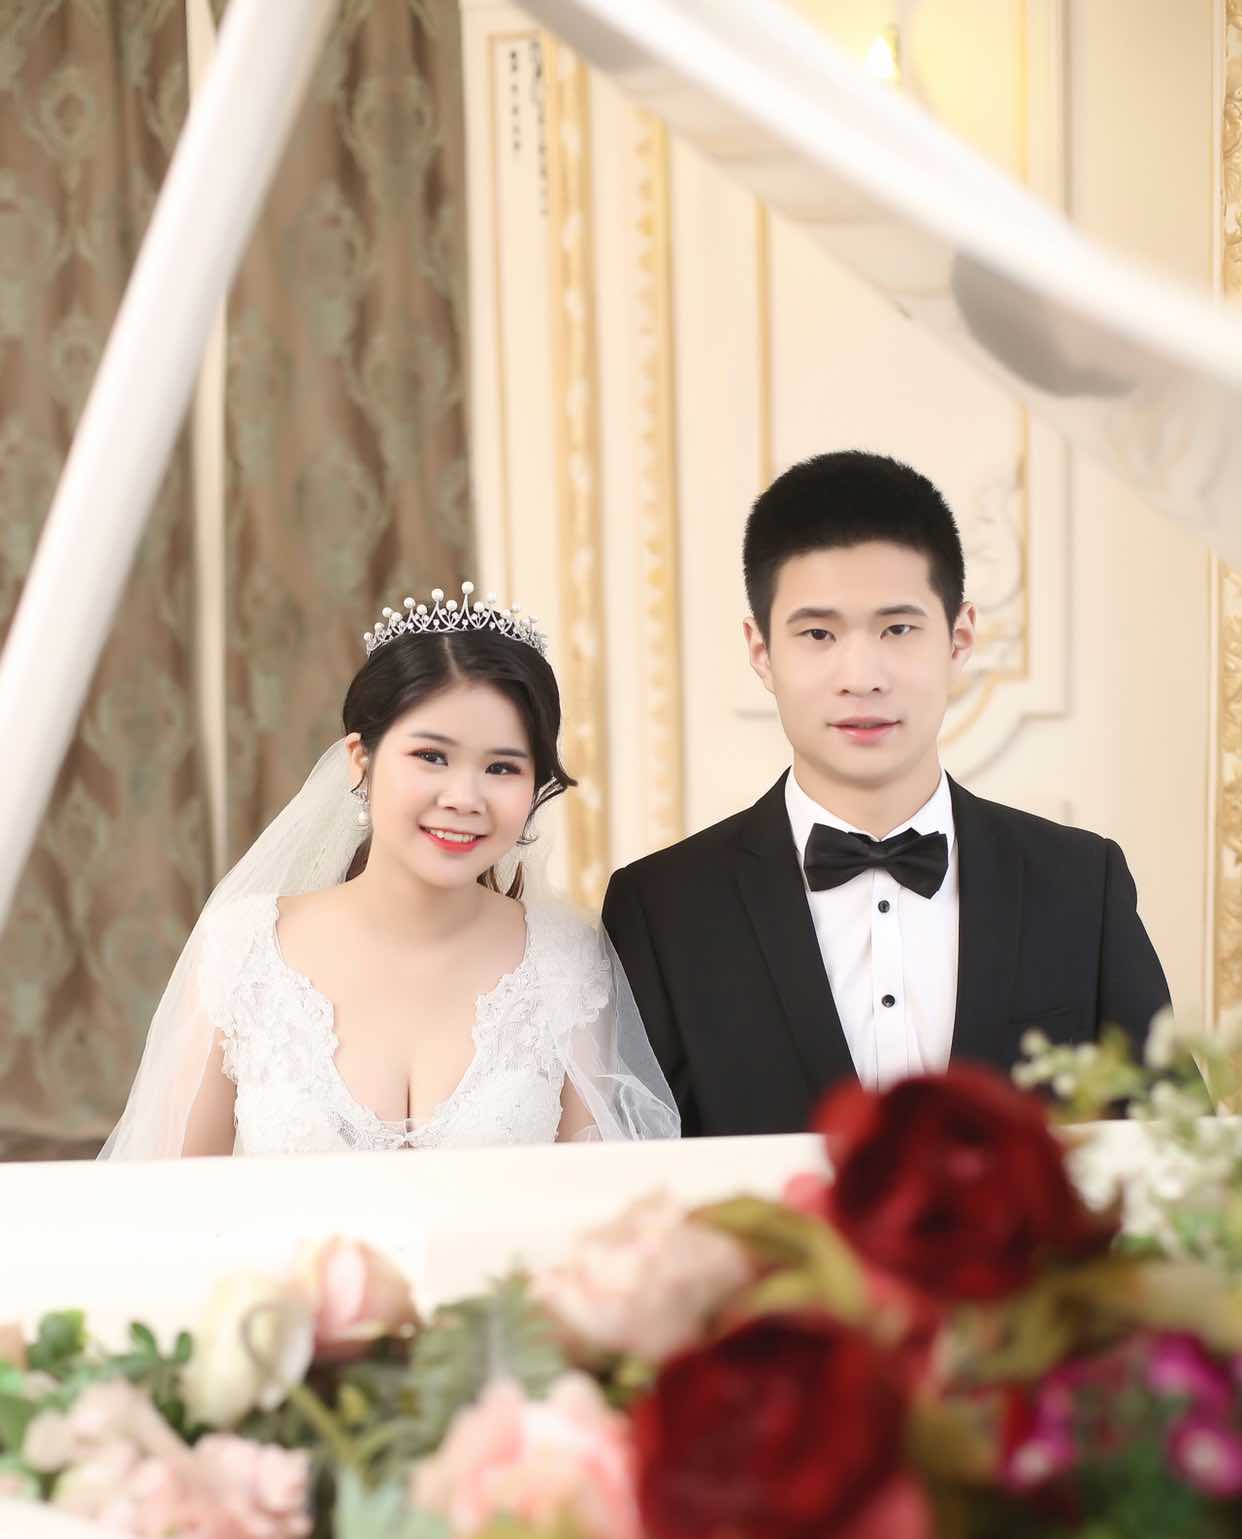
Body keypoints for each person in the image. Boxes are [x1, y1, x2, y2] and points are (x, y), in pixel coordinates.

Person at [603, 451, 1171, 1137]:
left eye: (898, 629)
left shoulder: (1081, 883)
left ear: (959, 638)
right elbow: (632, 1170)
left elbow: (1176, 1150)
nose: (862, 676)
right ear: (761, 652)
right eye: (818, 634)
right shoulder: (661, 909)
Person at [103, 586, 678, 1156]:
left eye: (502, 768)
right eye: (431, 757)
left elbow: (596, 1190)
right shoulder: (242, 952)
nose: (464, 797)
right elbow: (177, 1195)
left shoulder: (566, 962)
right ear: (361, 760)